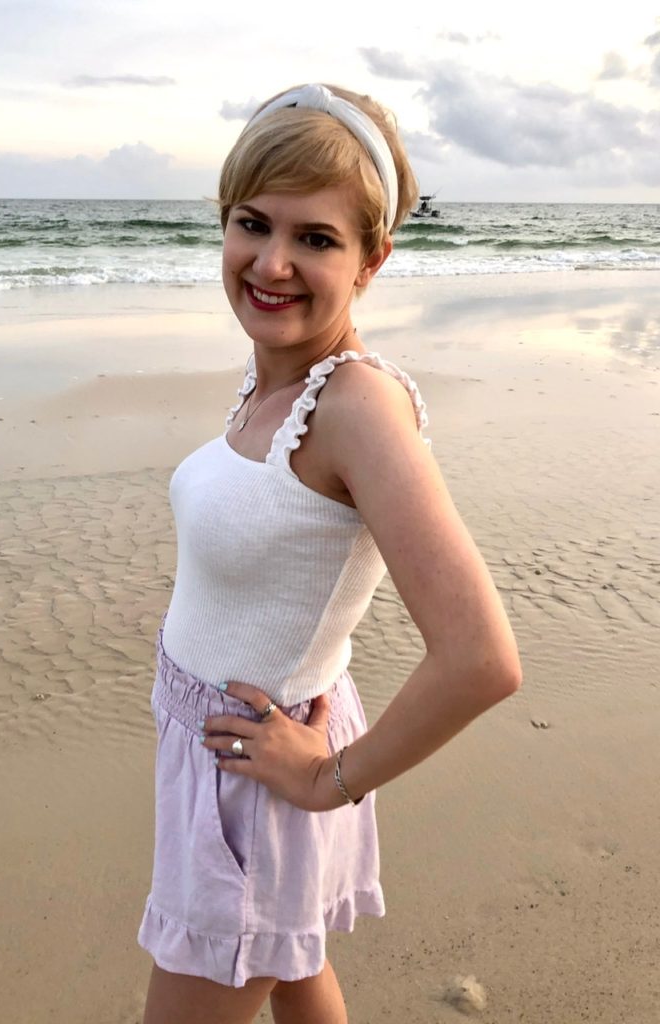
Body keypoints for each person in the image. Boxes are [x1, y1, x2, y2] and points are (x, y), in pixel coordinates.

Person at [138, 83, 522, 1024]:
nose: (271, 263)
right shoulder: (279, 377)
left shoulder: (355, 406)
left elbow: (482, 657)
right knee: (300, 984)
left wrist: (325, 778)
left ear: (372, 258)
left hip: (258, 790)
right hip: (225, 760)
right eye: (251, 223)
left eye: (316, 239)